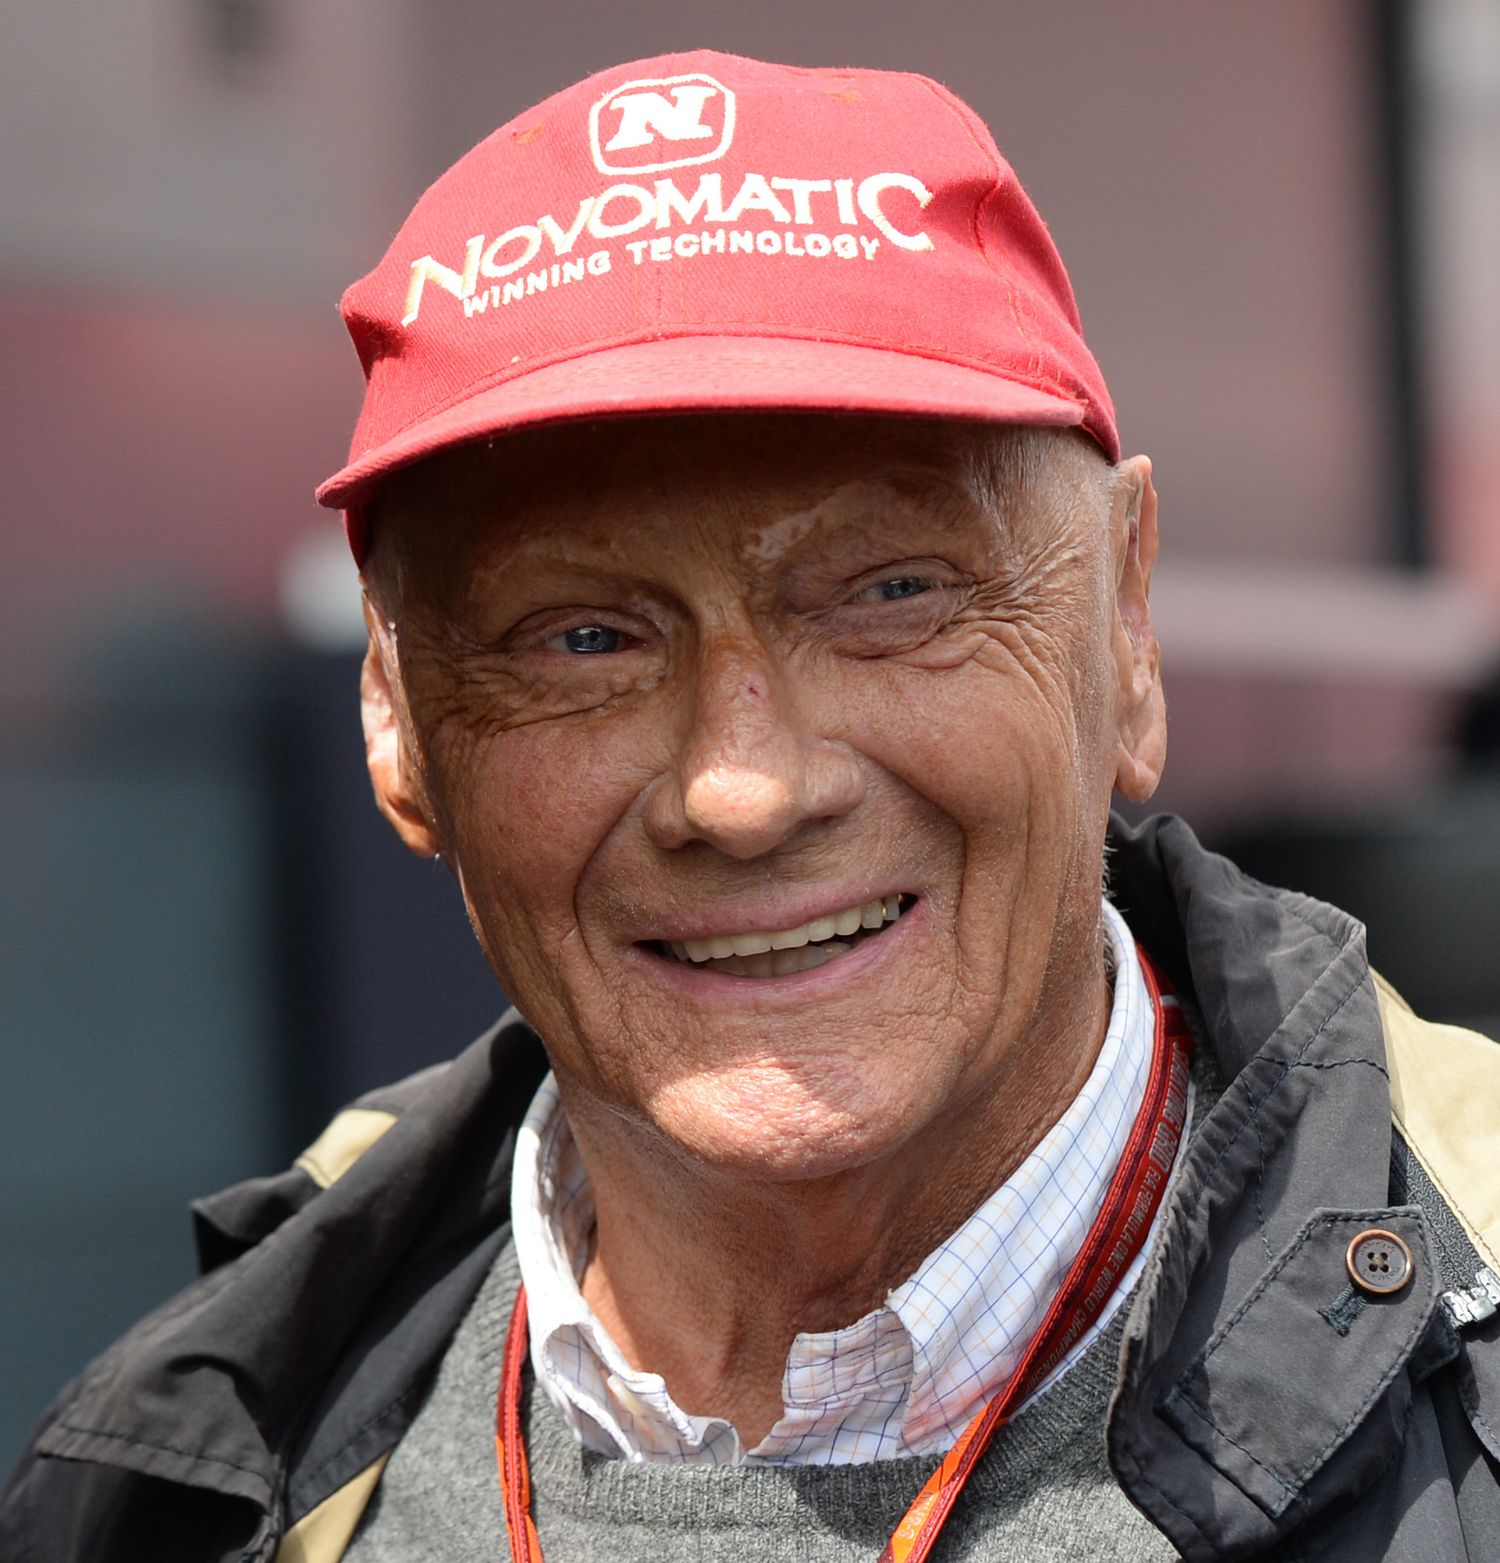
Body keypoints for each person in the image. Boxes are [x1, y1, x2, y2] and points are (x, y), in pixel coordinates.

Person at [5, 48, 1499, 1563]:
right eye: (582, 638)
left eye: (893, 594)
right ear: (397, 720)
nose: (743, 792)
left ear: (1124, 622)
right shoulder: (178, 1476)